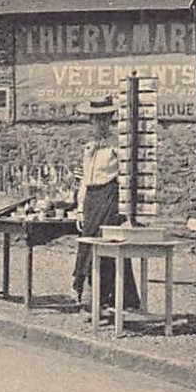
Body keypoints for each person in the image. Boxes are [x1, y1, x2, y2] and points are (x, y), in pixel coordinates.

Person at [71, 97, 140, 312]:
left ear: (110, 120)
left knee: (103, 244)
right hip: (92, 200)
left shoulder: (117, 145)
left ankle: (102, 295)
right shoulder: (89, 147)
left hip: (110, 197)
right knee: (86, 242)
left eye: (103, 119)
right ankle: (99, 294)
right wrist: (80, 208)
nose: (99, 123)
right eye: (95, 119)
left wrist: (126, 210)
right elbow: (84, 181)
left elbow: (127, 175)